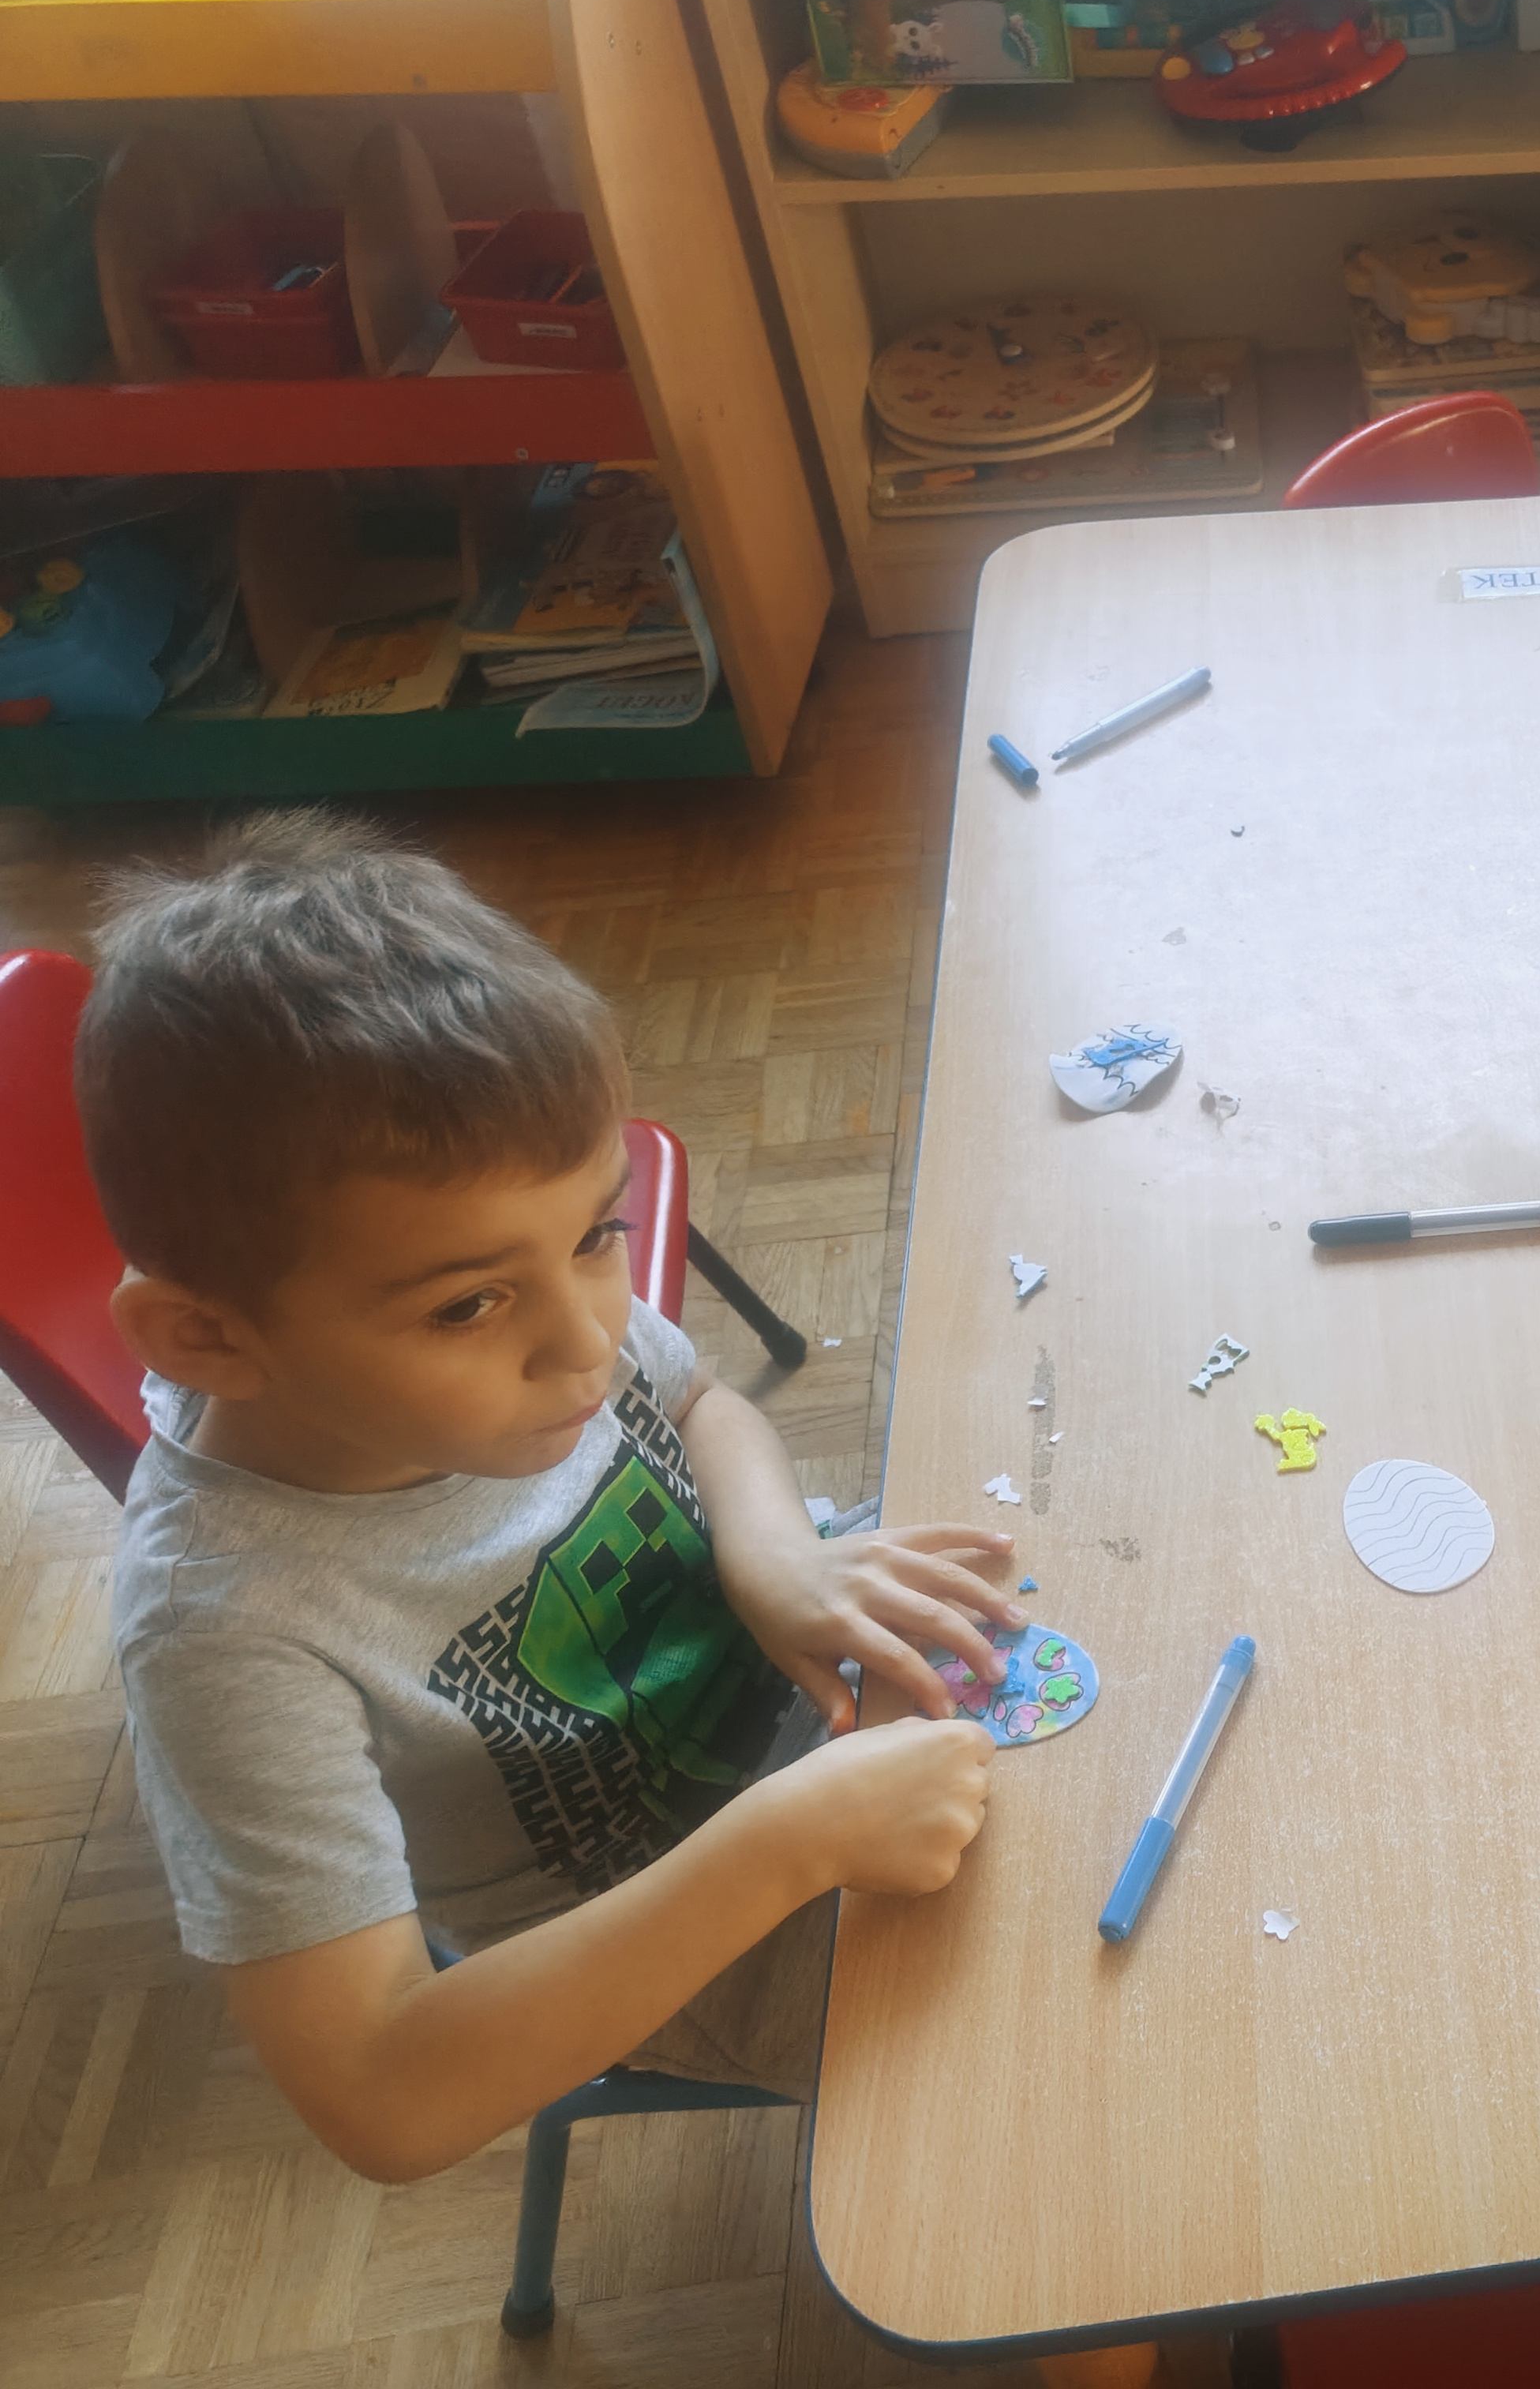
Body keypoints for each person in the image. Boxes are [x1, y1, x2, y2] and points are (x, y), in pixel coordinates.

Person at [88, 811, 1021, 2185]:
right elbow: (382, 2097)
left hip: (821, 1709)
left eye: (599, 1233)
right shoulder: (223, 1637)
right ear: (208, 1338)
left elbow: (696, 1402)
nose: (589, 1342)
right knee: (1046, 2082)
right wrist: (793, 1840)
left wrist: (775, 1559)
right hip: (676, 1928)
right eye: (467, 1304)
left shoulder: (545, 1324)